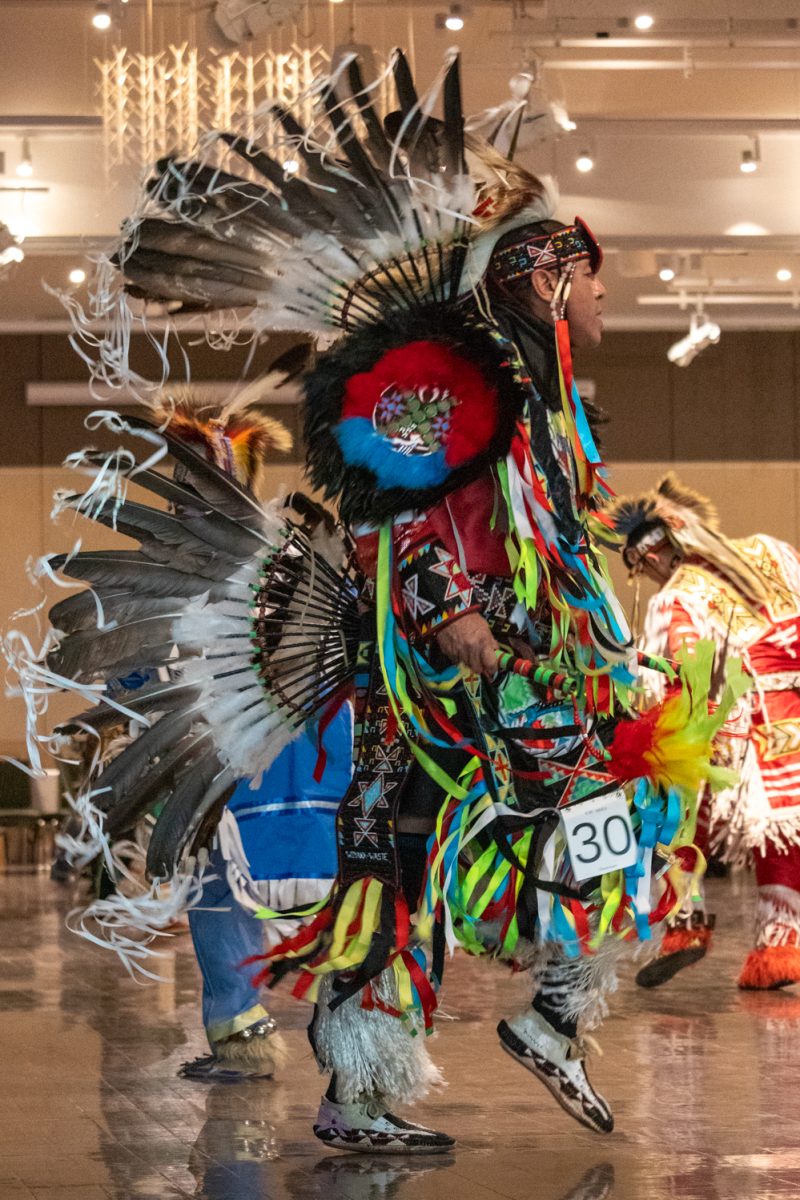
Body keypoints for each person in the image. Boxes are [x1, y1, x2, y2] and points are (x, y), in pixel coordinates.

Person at [13, 52, 739, 1157]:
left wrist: (621, 535)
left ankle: (539, 1017)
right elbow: (393, 510)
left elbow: (532, 524)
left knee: (616, 814)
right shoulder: (443, 381)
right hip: (439, 689)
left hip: (508, 678)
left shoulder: (538, 409)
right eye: (587, 273)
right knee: (399, 882)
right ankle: (372, 1086)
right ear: (539, 276)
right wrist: (452, 612)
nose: (602, 292)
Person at [611, 473, 800, 991]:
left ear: (648, 557)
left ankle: (685, 926)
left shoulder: (676, 597)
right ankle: (778, 947)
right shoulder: (770, 550)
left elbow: (680, 671)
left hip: (736, 721)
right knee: (780, 835)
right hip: (793, 713)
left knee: (673, 815)